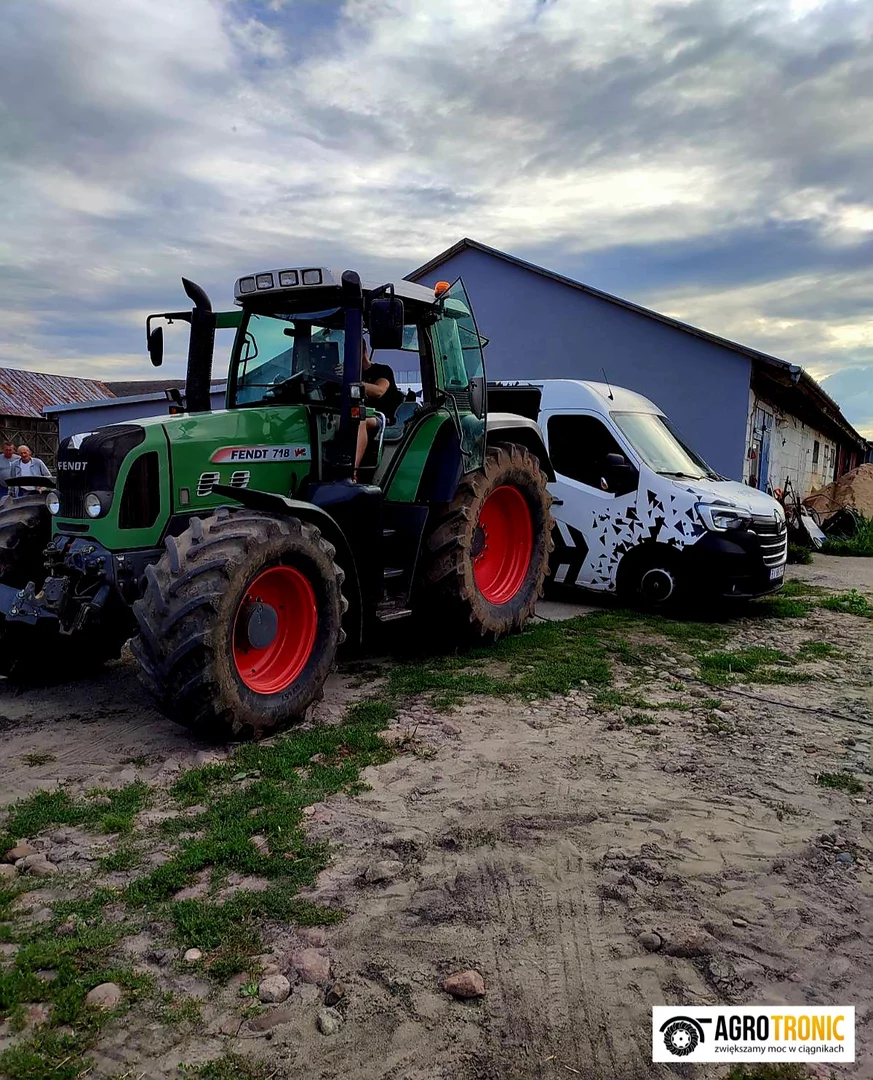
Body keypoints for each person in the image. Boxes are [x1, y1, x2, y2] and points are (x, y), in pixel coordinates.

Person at [355, 339, 403, 468]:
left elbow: (379, 391)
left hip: (381, 417)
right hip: (352, 413)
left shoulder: (382, 370)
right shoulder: (347, 374)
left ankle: (352, 471)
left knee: (361, 421)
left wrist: (351, 381)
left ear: (362, 349)